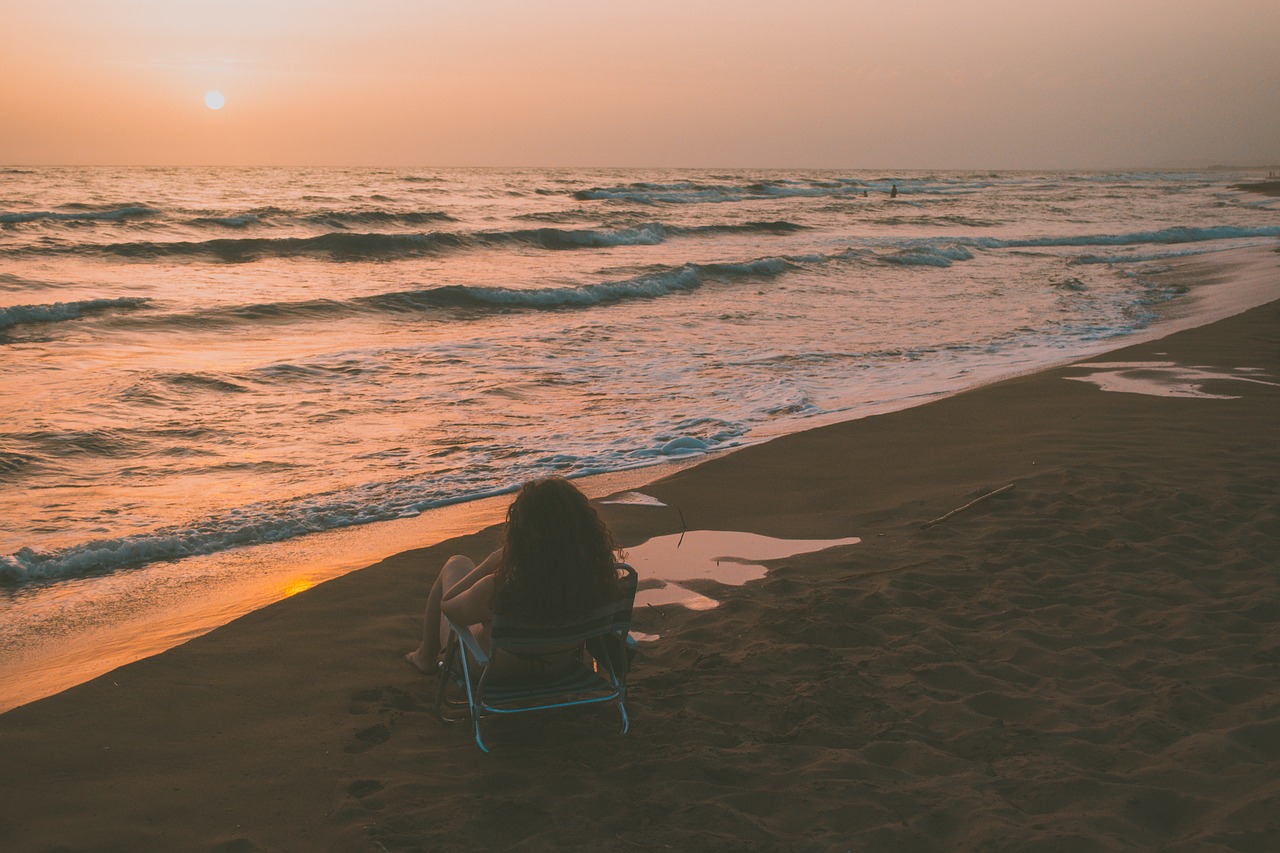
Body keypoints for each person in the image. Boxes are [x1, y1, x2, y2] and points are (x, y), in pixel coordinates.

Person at [405, 477, 622, 677]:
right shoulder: (593, 582)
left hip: (490, 673)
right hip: (558, 669)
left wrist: (490, 562)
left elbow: (448, 607)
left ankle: (425, 657)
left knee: (457, 563)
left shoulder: (497, 588)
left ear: (521, 535)